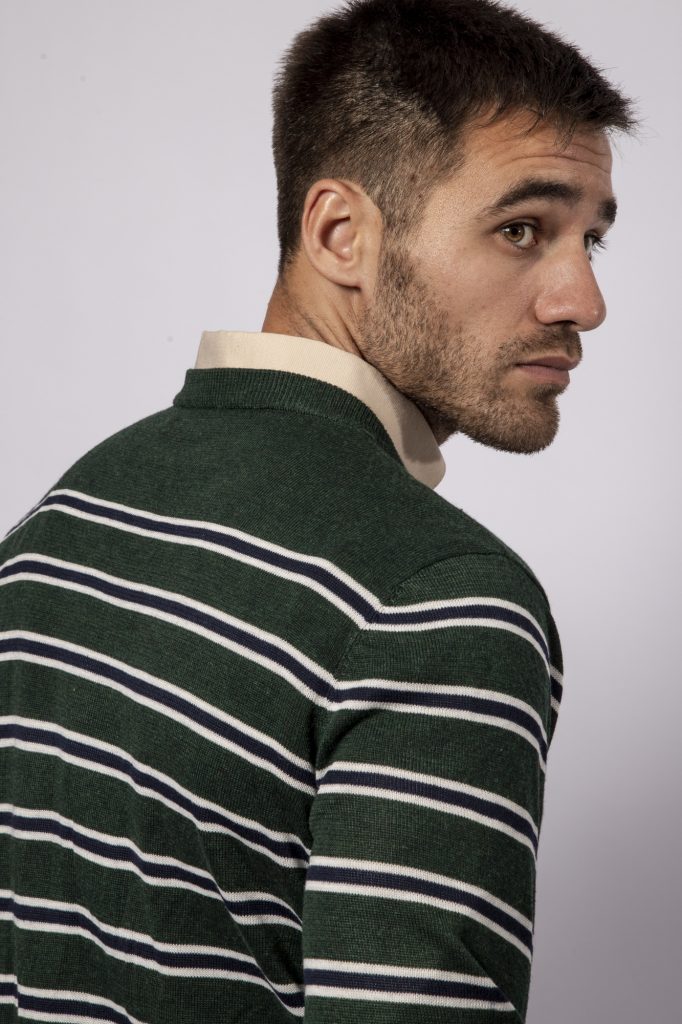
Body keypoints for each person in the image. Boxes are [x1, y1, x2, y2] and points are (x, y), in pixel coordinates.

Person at [0, 0, 641, 1021]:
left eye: (590, 241)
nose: (582, 301)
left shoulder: (64, 518)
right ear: (341, 234)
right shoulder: (440, 600)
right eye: (521, 229)